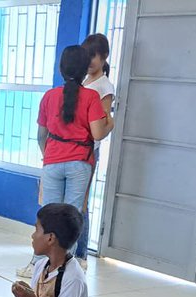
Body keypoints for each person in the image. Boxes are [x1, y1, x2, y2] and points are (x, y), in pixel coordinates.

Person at [36, 45, 112, 245]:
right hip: (79, 163)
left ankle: (40, 265)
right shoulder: (90, 97)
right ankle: (65, 268)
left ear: (61, 68)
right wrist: (110, 123)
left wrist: (49, 154)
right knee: (71, 219)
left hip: (52, 161)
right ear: (84, 68)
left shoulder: (49, 96)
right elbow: (97, 133)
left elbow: (40, 135)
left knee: (48, 216)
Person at [77, 33, 115, 262]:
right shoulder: (83, 81)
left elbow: (102, 124)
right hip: (75, 147)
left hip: (89, 149)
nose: (90, 61)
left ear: (104, 57)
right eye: (87, 56)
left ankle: (81, 255)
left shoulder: (104, 86)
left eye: (94, 56)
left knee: (82, 202)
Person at [11, 203, 88, 297]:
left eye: (37, 230)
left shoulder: (73, 278)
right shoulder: (41, 265)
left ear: (50, 238)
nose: (33, 236)